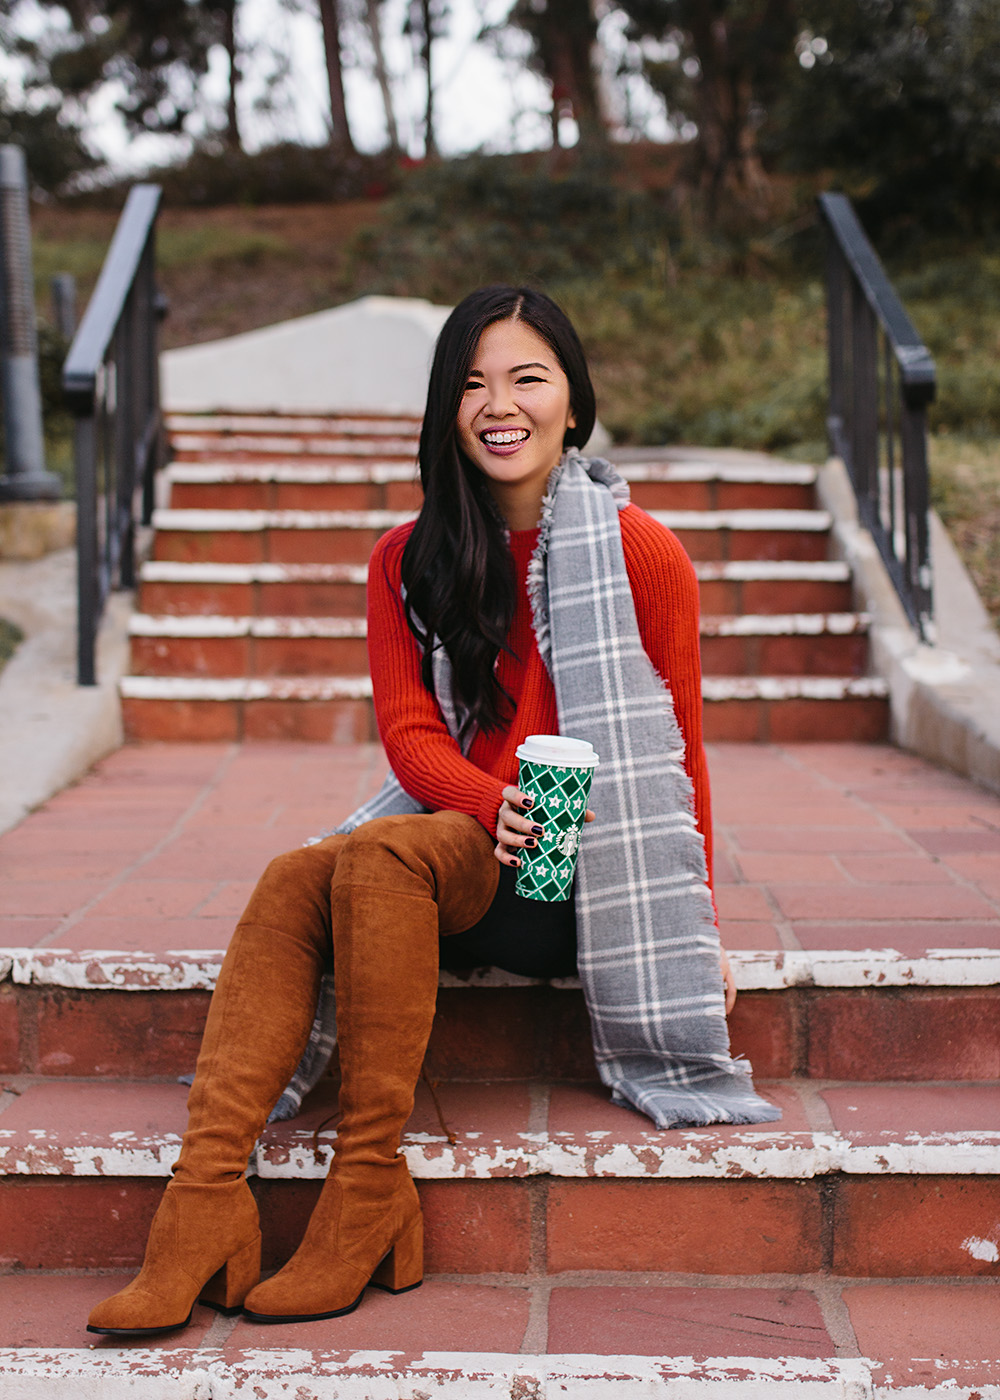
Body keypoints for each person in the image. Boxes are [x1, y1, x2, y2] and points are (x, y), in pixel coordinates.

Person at [87, 284, 766, 1340]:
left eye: (526, 377)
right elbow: (410, 741)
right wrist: (490, 801)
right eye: (471, 382)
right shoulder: (409, 560)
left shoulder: (645, 554)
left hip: (586, 885)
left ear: (573, 406)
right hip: (460, 856)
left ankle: (365, 1189)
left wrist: (700, 925)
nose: (500, 402)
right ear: (448, 410)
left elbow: (681, 756)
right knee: (305, 871)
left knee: (381, 855)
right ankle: (205, 1199)